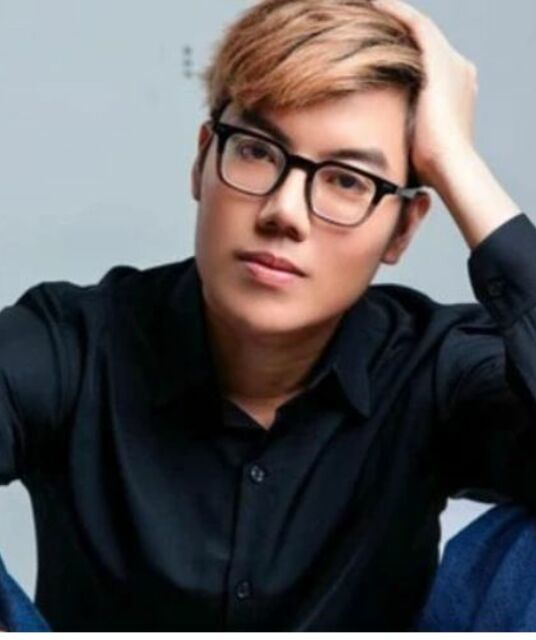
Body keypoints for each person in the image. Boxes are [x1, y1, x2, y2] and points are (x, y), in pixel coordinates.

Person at [1, 0, 535, 631]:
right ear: (203, 161)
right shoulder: (74, 343)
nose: (285, 211)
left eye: (347, 181)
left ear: (402, 230)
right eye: (256, 151)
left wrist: (456, 163)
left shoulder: (435, 369)